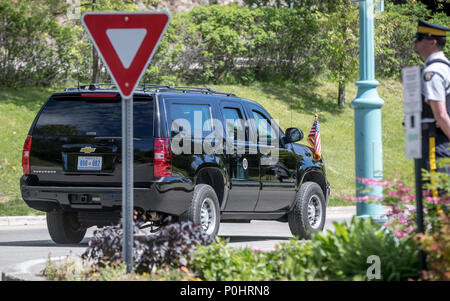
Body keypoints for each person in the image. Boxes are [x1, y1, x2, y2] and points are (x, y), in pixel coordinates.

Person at [413, 19, 450, 182]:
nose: (415, 42)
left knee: (437, 196)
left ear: (432, 42)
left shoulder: (433, 72)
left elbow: (441, 115)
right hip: (441, 140)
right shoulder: (445, 67)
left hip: (437, 141)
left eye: (419, 39)